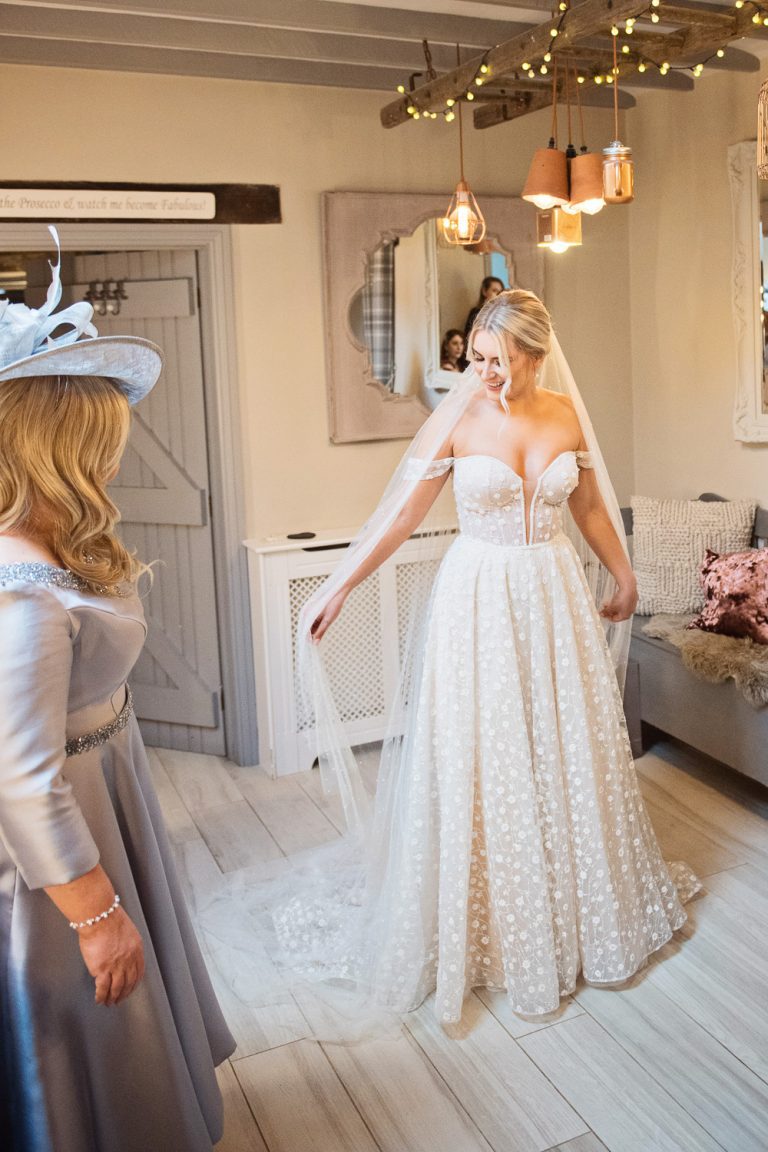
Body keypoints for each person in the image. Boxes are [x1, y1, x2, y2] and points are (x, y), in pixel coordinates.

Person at [273, 289, 700, 1029]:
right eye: (476, 359)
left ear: (536, 354)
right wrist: (339, 587)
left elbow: (591, 509)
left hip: (554, 593)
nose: (484, 373)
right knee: (486, 750)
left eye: (498, 360)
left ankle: (575, 906)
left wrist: (625, 574)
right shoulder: (459, 420)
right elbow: (402, 515)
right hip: (478, 600)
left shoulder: (566, 413)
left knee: (561, 747)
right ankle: (488, 920)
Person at [0, 230, 235, 1152]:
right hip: (57, 845)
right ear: (59, 448)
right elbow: (21, 780)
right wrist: (97, 918)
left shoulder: (51, 553)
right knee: (85, 1020)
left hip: (109, 794)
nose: (114, 458)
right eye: (101, 442)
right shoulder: (20, 600)